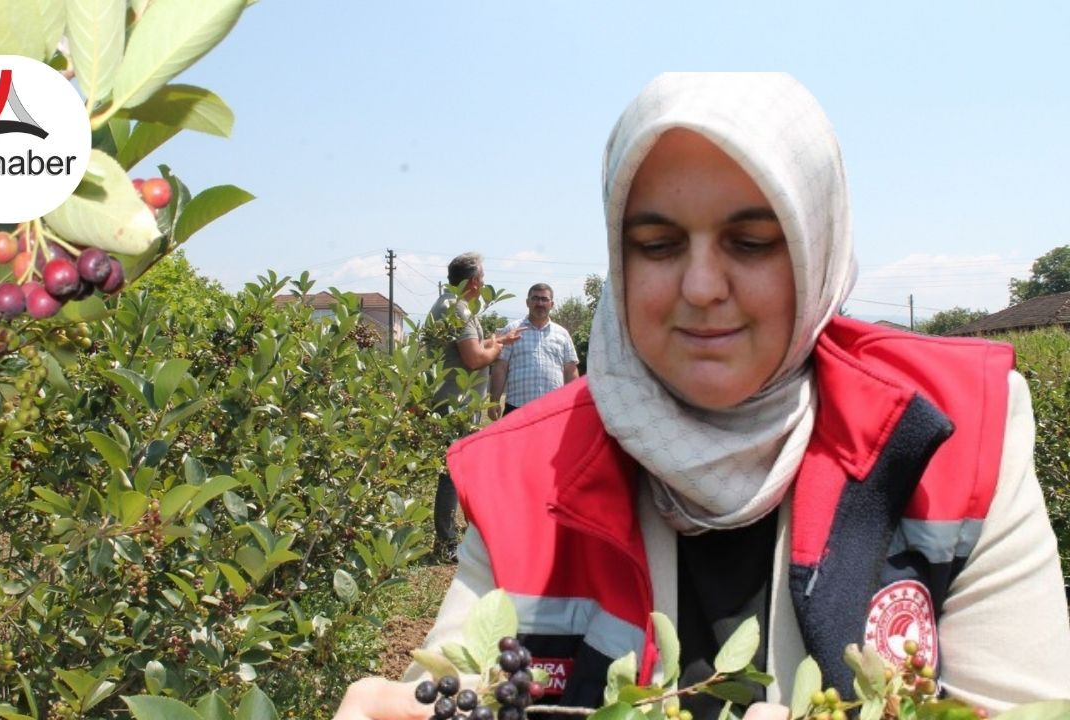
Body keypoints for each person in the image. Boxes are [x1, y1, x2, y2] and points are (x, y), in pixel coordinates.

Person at [336, 73, 1070, 719]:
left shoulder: (959, 437)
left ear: (817, 250)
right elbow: (455, 683)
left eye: (750, 242)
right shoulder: (522, 478)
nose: (700, 287)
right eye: (657, 245)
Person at [427, 252, 524, 563]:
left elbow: (469, 349)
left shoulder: (448, 304)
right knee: (452, 474)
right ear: (472, 282)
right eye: (482, 280)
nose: (483, 286)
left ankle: (466, 535)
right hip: (456, 404)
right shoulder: (458, 309)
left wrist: (498, 340)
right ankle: (446, 543)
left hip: (453, 403)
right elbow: (473, 358)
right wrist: (496, 348)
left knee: (460, 472)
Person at [487, 283, 579, 419]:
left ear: (552, 304)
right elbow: (500, 367)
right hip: (517, 408)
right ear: (527, 302)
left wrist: (574, 404)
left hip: (553, 410)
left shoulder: (562, 334)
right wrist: (494, 401)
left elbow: (571, 370)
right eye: (535, 298)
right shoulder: (512, 330)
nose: (540, 303)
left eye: (544, 299)